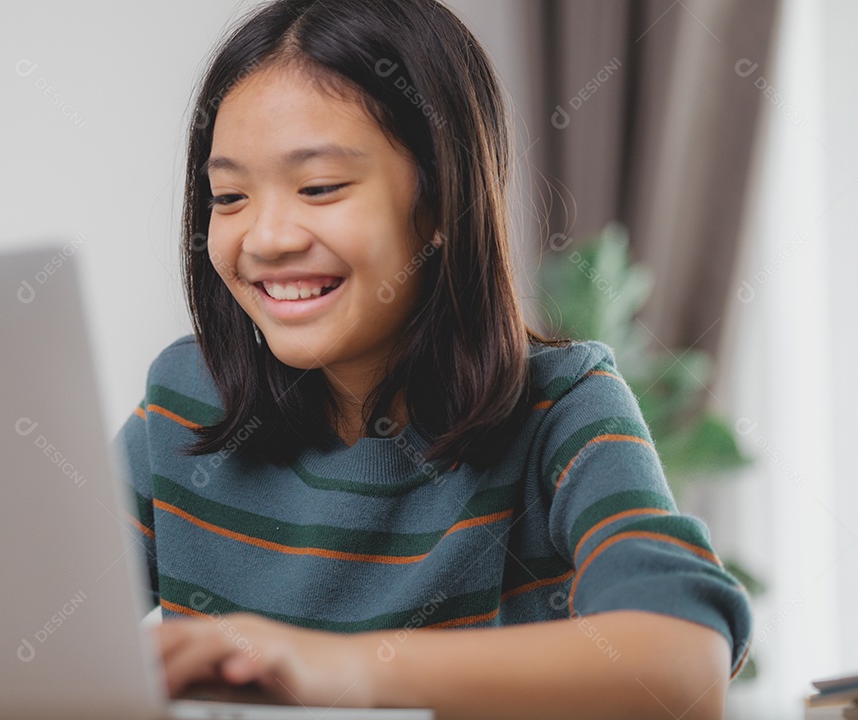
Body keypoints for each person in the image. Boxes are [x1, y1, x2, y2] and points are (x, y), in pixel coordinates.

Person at [113, 1, 752, 717]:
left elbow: (685, 664)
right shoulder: (184, 402)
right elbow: (14, 629)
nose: (263, 238)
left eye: (319, 187)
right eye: (228, 196)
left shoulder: (562, 408)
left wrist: (330, 669)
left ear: (446, 199)